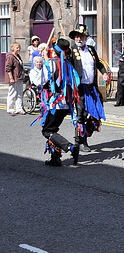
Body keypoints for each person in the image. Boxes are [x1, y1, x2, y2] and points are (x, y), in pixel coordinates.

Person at [38, 38, 81, 166]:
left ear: (55, 51)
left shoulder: (50, 63)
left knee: (47, 131)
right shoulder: (68, 65)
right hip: (66, 103)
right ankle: (55, 158)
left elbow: (39, 81)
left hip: (55, 102)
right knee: (53, 129)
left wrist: (43, 62)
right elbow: (75, 82)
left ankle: (70, 147)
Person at [68, 24, 109, 152]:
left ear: (85, 38)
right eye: (77, 37)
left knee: (92, 113)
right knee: (81, 115)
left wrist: (104, 73)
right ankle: (79, 142)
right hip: (79, 88)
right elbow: (65, 64)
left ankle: (84, 138)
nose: (79, 39)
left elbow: (99, 63)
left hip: (92, 87)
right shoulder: (71, 51)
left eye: (81, 36)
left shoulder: (91, 49)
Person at [5, 42, 25, 115]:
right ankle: (10, 108)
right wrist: (11, 78)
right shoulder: (10, 56)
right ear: (13, 48)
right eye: (17, 48)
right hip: (14, 77)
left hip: (19, 77)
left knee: (19, 94)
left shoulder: (18, 56)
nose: (18, 49)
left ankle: (19, 108)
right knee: (12, 93)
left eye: (19, 47)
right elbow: (8, 68)